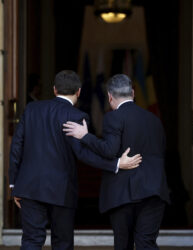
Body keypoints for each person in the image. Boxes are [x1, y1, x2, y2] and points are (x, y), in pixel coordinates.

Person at [9, 70, 141, 250]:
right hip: (61, 189)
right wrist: (116, 164)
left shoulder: (32, 109)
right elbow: (84, 154)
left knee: (31, 241)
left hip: (29, 187)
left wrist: (13, 184)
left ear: (54, 89)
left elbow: (16, 146)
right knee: (62, 243)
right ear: (78, 91)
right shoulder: (77, 116)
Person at [63, 74, 170, 250]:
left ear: (110, 96)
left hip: (123, 193)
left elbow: (109, 150)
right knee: (147, 243)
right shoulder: (155, 119)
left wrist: (85, 136)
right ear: (133, 93)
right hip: (154, 190)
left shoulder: (113, 117)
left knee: (123, 244)